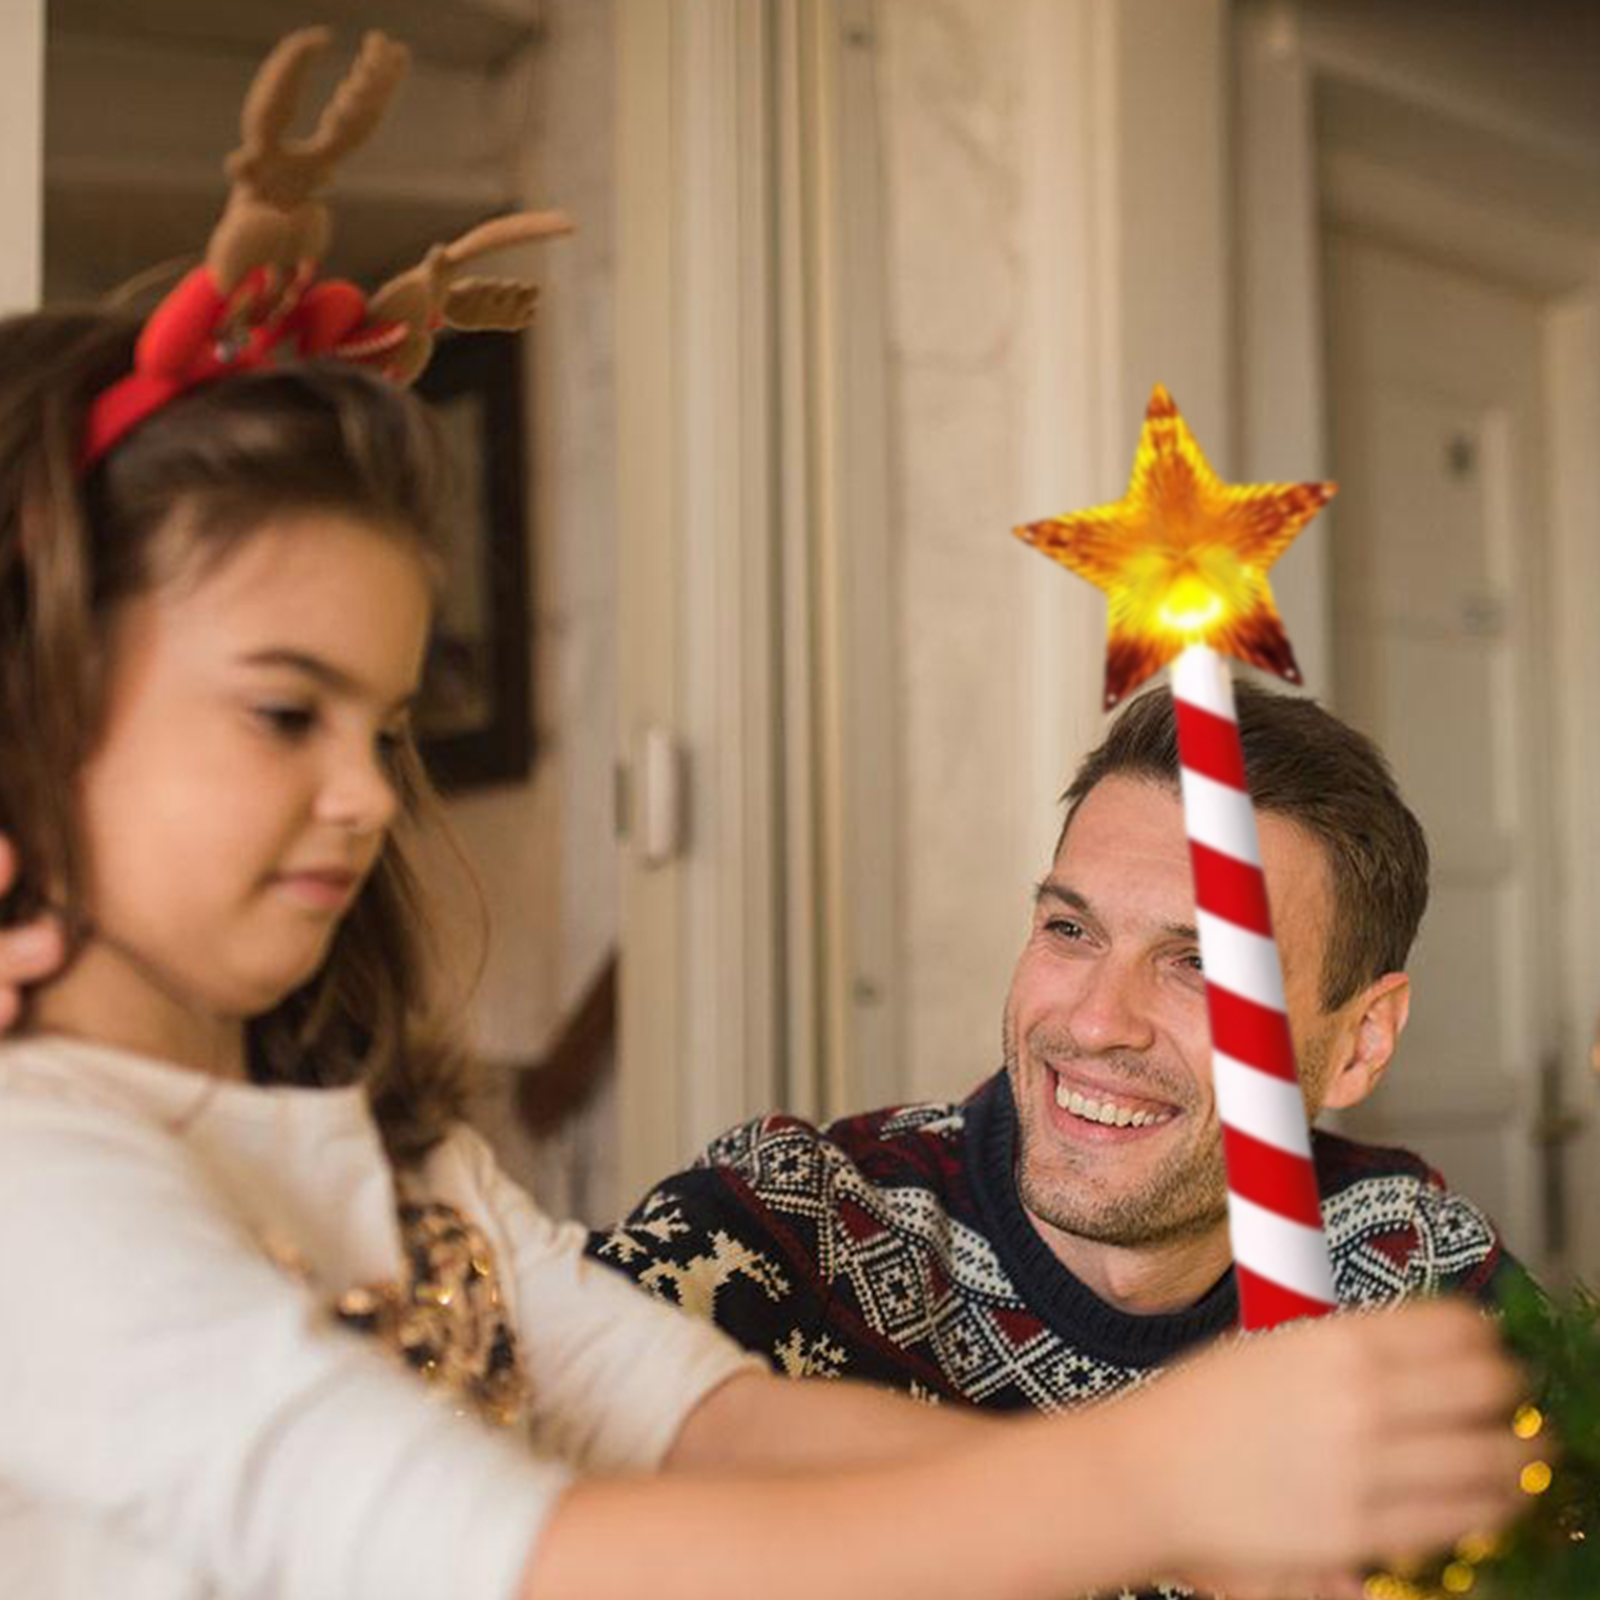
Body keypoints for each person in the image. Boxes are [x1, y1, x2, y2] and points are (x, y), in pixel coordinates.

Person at [0, 297, 1544, 1600]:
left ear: (1362, 1034)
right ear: (35, 720)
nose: (366, 798)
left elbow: (699, 1418)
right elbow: (522, 1556)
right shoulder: (35, 1185)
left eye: (384, 726)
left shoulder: (390, 1159)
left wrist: (1198, 1518)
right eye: (286, 713)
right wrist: (1164, 1483)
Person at [587, 686, 1518, 1419]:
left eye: (1200, 964)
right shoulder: (786, 1237)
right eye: (1071, 929)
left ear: (1361, 1042)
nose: (1097, 1021)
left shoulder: (1418, 1277)